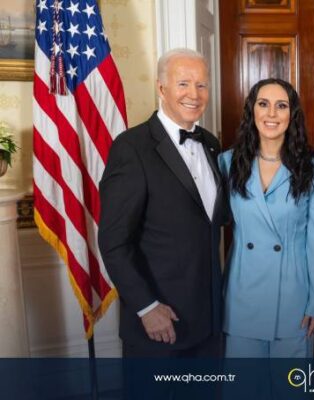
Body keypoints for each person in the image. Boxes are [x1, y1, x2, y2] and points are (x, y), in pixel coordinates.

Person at [98, 48, 225, 358]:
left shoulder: (211, 144)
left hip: (209, 323)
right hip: (158, 323)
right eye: (183, 83)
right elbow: (113, 242)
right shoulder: (131, 147)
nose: (194, 94)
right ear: (161, 88)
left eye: (201, 85)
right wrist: (146, 307)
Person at [219, 78, 314, 358]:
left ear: (292, 114)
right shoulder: (227, 163)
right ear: (252, 111)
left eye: (281, 106)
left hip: (294, 297)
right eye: (263, 104)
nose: (271, 113)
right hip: (242, 295)